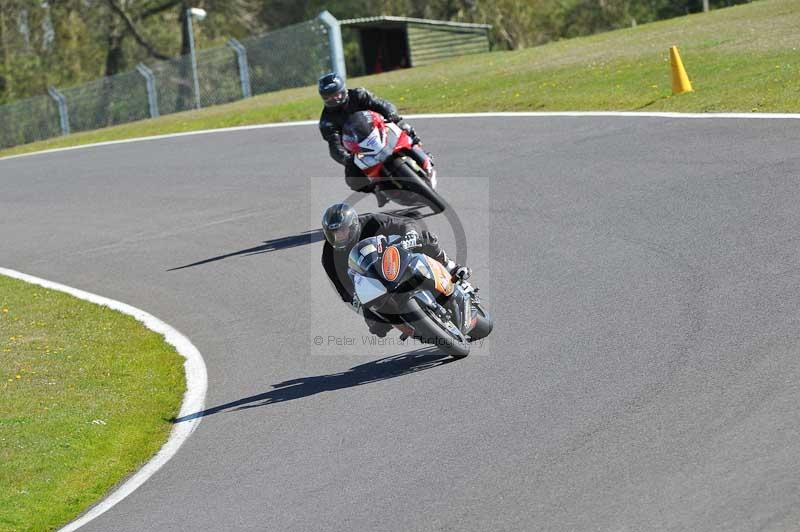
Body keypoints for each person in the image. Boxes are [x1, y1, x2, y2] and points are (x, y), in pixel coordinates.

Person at [320, 203, 469, 337]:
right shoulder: (329, 256)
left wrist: (410, 234)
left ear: (353, 225)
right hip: (374, 282)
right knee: (375, 325)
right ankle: (414, 329)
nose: (338, 236)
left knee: (427, 240)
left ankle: (452, 268)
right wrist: (355, 298)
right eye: (333, 234)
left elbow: (405, 223)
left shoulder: (371, 222)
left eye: (342, 231)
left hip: (394, 257)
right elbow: (343, 288)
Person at [317, 73, 430, 197]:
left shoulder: (359, 95)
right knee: (352, 179)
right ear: (323, 98)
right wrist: (345, 157)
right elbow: (334, 144)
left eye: (337, 94)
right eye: (329, 97)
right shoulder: (326, 121)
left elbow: (381, 104)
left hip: (378, 129)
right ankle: (378, 190)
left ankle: (420, 151)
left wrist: (391, 114)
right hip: (358, 147)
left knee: (402, 126)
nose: (335, 99)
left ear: (343, 90)